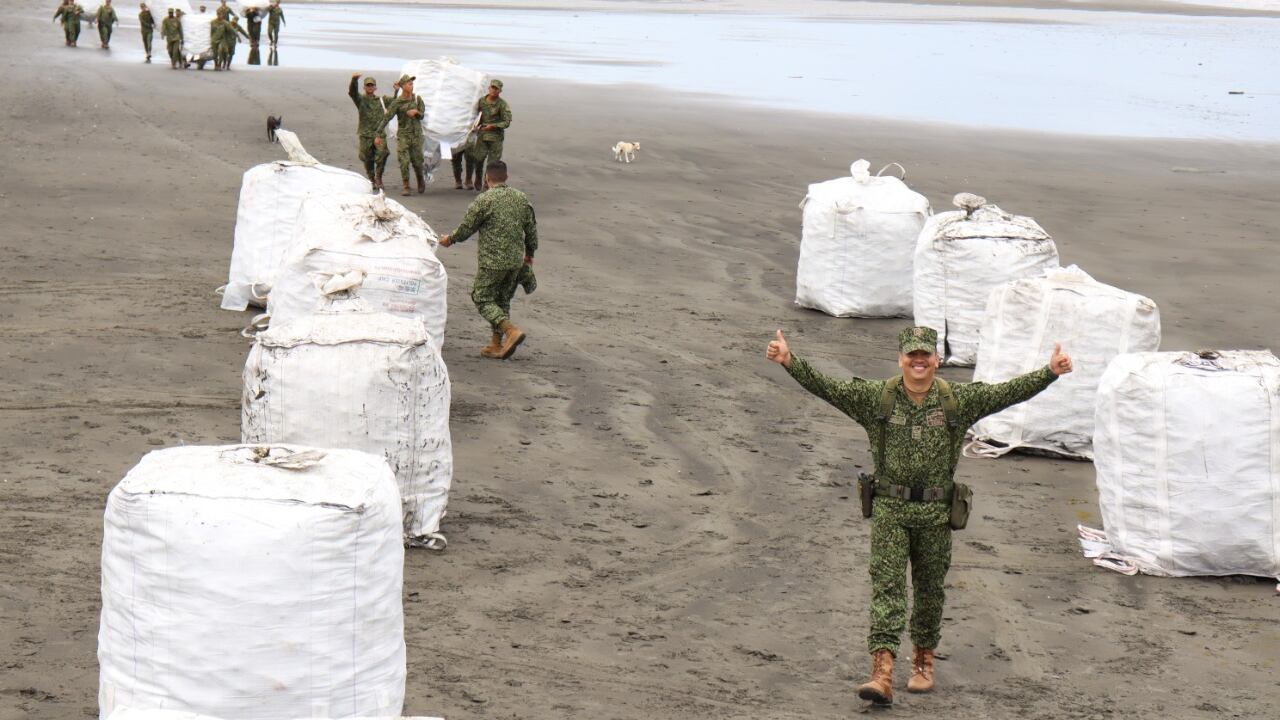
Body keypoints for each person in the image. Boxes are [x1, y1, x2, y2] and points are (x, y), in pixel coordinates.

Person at [765, 326, 1073, 706]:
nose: (919, 360)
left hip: (936, 512)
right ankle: (882, 672)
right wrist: (789, 361)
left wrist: (1049, 373)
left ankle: (923, 662)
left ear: (936, 360)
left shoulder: (955, 400)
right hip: (890, 510)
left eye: (925, 354)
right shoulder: (876, 397)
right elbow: (829, 387)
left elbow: (1004, 393)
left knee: (929, 590)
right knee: (888, 588)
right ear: (900, 359)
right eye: (912, 354)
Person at [438, 161, 538, 359]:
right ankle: (496, 344)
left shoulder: (484, 200)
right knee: (502, 300)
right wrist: (529, 255)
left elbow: (467, 227)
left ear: (487, 178)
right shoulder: (521, 198)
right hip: (515, 261)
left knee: (482, 297)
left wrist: (450, 240)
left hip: (492, 262)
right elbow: (532, 231)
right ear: (506, 177)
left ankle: (510, 331)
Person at [379, 74, 427, 196]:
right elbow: (387, 117)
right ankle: (406, 185)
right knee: (404, 161)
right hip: (403, 136)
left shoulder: (417, 99)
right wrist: (378, 132)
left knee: (417, 161)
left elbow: (422, 115)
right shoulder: (397, 102)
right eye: (409, 83)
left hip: (416, 136)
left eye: (412, 83)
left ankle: (420, 180)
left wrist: (416, 112)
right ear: (403, 86)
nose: (412, 85)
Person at [465, 79, 512, 192]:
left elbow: (506, 122)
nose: (494, 90)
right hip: (482, 136)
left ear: (500, 91)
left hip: (496, 138)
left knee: (493, 163)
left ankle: (487, 185)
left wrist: (494, 126)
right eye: (492, 87)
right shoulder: (481, 101)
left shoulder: (502, 104)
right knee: (478, 159)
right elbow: (475, 116)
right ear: (489, 88)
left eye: (496, 89)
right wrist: (475, 126)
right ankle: (478, 178)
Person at [349, 73, 392, 192]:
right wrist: (354, 80)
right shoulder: (361, 100)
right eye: (367, 85)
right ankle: (372, 178)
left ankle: (378, 177)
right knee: (367, 158)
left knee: (383, 153)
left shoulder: (382, 100)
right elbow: (352, 93)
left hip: (379, 134)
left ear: (375, 88)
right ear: (364, 87)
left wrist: (397, 90)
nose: (370, 87)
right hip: (365, 134)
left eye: (372, 85)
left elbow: (396, 101)